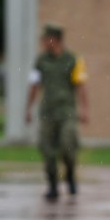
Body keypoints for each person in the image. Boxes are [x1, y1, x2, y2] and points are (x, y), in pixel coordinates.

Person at [24, 23, 88, 201]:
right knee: (47, 148)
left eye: (45, 38)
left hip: (67, 111)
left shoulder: (73, 59)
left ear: (55, 39)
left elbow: (81, 86)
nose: (43, 42)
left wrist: (84, 109)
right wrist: (28, 108)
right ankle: (52, 185)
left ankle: (69, 175)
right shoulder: (41, 60)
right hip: (47, 112)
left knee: (68, 145)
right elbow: (34, 85)